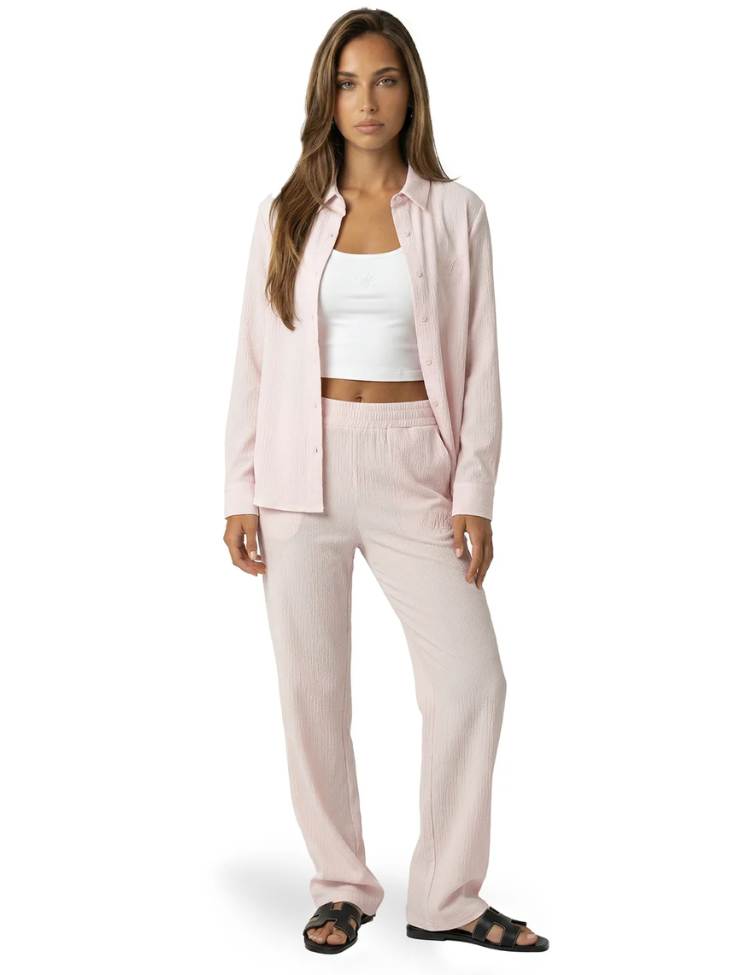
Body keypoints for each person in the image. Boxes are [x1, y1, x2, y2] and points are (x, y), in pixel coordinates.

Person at [222, 8, 548, 957]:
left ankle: (446, 894)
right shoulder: (286, 213)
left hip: (416, 468)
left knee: (473, 681)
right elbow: (252, 359)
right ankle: (341, 884)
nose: (367, 101)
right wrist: (239, 488)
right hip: (300, 466)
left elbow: (482, 364)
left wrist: (475, 493)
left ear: (412, 94)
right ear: (326, 98)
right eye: (348, 82)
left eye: (386, 79)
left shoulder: (456, 213)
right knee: (312, 692)